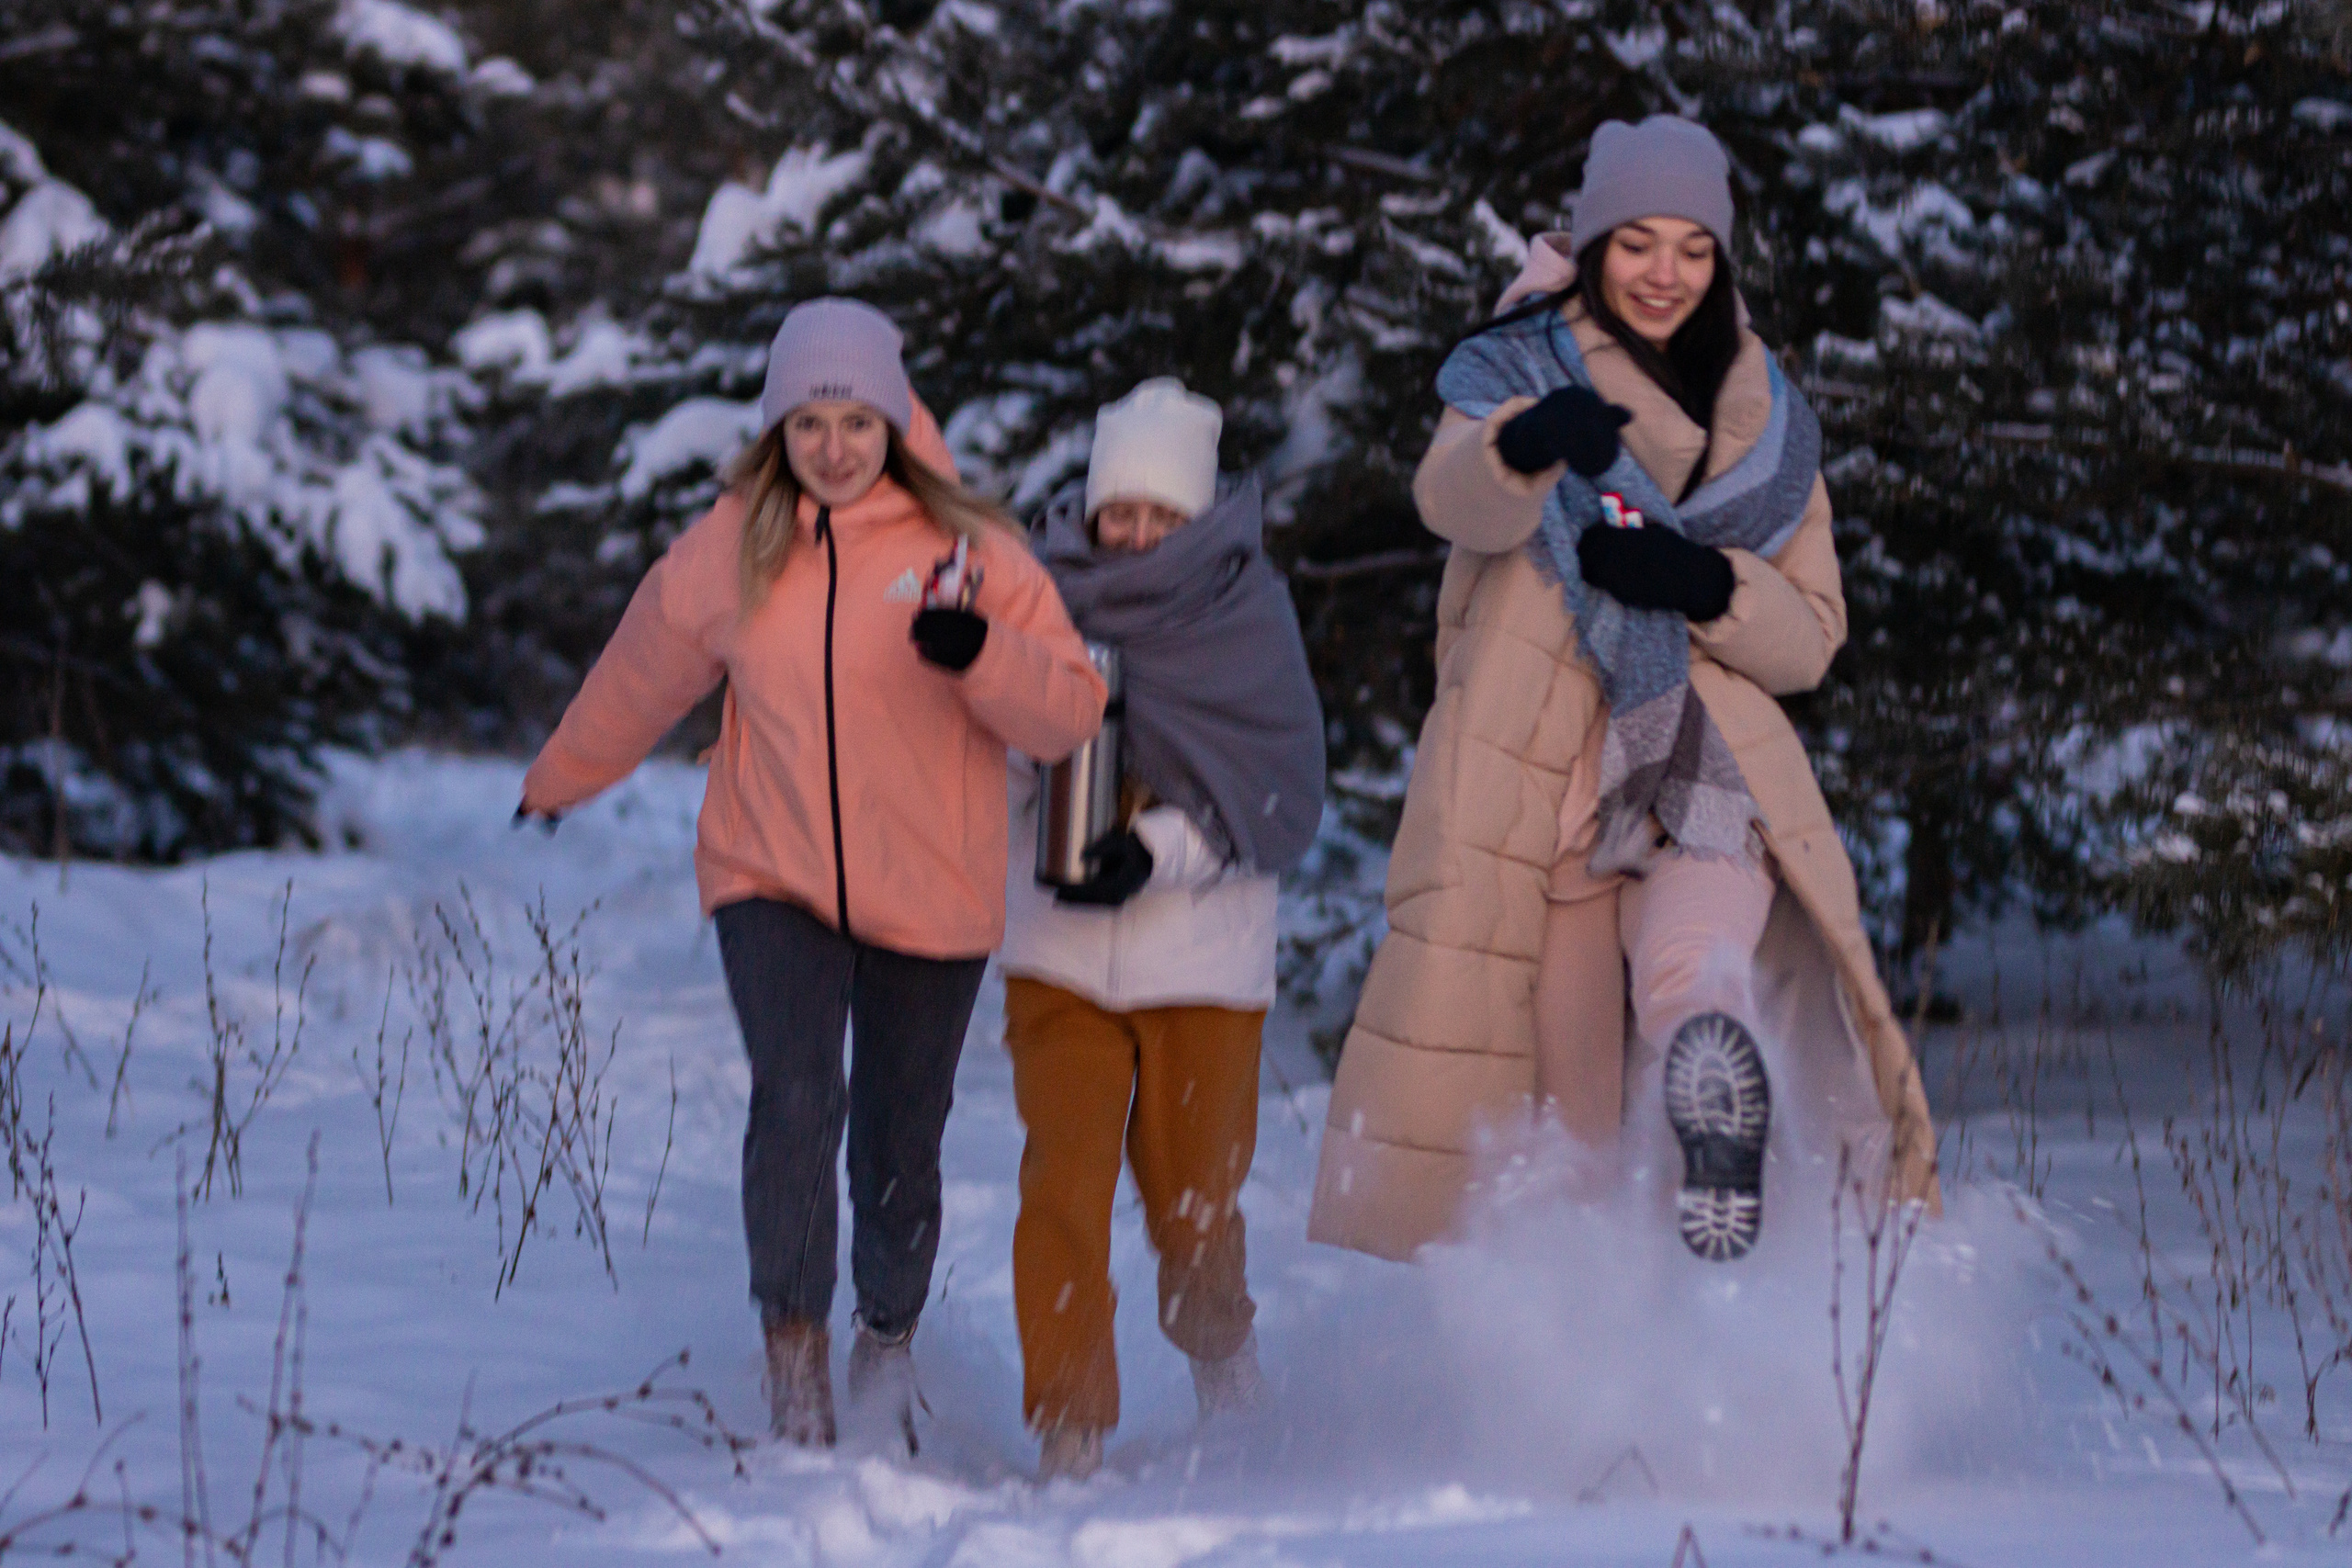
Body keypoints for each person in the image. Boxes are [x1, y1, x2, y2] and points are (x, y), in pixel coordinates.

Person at [1307, 117, 1939, 1268]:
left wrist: (1701, 579)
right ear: (1595, 245)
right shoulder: (1517, 361)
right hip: (1543, 787)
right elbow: (1455, 501)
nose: (1663, 274)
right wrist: (1529, 445)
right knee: (1575, 1127)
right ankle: (1594, 1378)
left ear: (1721, 259)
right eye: (1637, 243)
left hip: (1698, 771)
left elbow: (1811, 639)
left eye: (1691, 248)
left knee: (1699, 971)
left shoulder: (1770, 416)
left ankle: (1718, 1098)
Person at [518, 298, 1107, 1450]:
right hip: (768, 869)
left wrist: (980, 656)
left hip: (929, 887)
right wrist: (560, 776)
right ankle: (796, 1369)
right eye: (807, 423)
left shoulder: (970, 552)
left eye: (854, 420)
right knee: (794, 1100)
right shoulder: (734, 546)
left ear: (892, 419)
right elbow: (641, 669)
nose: (832, 447)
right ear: (776, 430)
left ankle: (886, 1335)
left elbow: (1071, 706)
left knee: (899, 1137)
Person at [1000, 379, 1326, 1481]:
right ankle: (1069, 1421)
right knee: (1062, 1192)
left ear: (1197, 518)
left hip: (1203, 961)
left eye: (1159, 515)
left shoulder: (1246, 611)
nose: (1133, 535)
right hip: (1056, 954)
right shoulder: (1038, 599)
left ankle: (1216, 1344)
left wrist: (1156, 852)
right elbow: (988, 769)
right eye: (1117, 513)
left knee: (1192, 1201)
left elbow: (1275, 792)